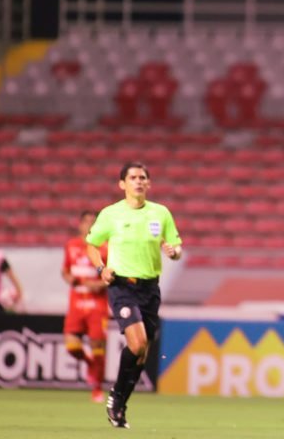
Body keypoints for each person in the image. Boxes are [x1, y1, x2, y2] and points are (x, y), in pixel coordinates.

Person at [86, 161, 183, 429]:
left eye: (143, 177)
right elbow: (92, 245)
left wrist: (174, 252)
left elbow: (175, 246)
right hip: (122, 285)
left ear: (149, 184)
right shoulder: (110, 214)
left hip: (150, 288)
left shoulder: (161, 214)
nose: (138, 181)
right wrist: (100, 268)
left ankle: (119, 404)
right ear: (122, 184)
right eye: (133, 177)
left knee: (142, 353)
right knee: (138, 343)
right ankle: (116, 394)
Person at [62, 210, 109, 403]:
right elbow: (65, 271)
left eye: (93, 222)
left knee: (98, 345)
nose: (89, 225)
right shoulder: (71, 245)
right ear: (80, 224)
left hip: (97, 304)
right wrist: (70, 279)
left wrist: (97, 285)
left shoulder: (105, 248)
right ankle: (89, 363)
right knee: (71, 346)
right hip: (76, 303)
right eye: (86, 221)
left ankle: (97, 388)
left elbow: (111, 278)